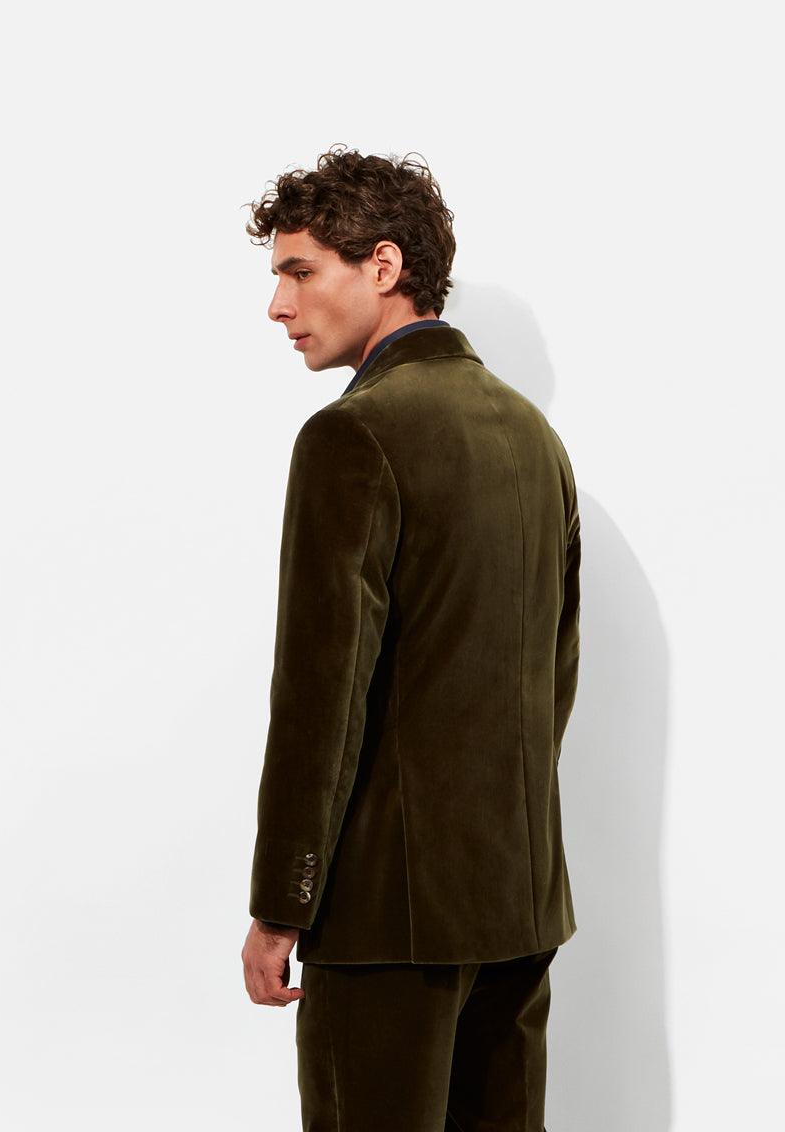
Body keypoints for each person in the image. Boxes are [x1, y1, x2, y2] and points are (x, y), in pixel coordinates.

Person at [240, 144, 582, 1131]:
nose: (277, 306)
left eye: (299, 271)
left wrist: (282, 902)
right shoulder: (533, 438)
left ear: (383, 266)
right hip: (517, 906)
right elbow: (553, 675)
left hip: (385, 922)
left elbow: (321, 695)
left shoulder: (353, 435)